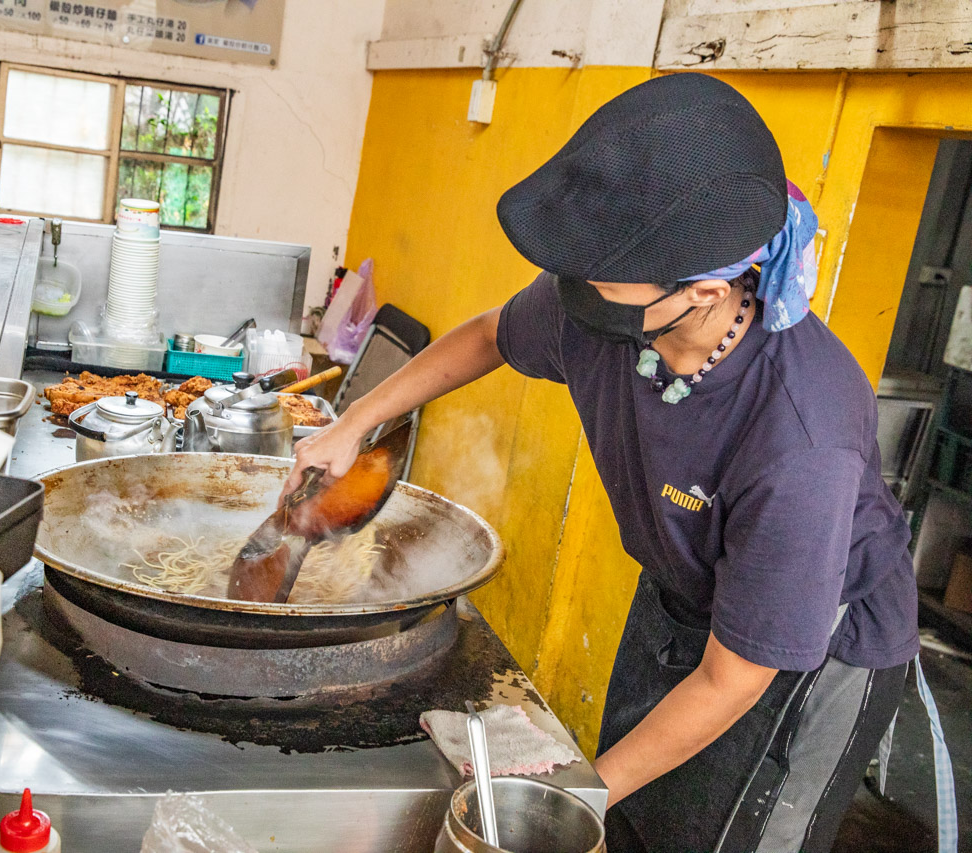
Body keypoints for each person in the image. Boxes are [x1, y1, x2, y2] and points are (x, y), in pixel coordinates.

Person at [287, 73, 921, 852]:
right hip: (681, 592)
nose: (578, 299)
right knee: (631, 814)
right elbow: (490, 335)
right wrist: (356, 419)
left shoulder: (799, 435)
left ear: (709, 291)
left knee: (717, 834)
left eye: (605, 287)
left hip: (811, 652)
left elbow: (736, 677)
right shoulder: (607, 301)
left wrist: (572, 799)